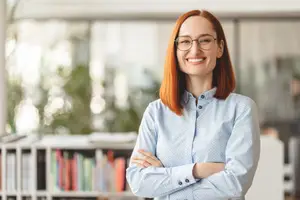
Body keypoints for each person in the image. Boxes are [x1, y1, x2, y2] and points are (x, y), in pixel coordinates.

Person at [126, 9, 260, 200]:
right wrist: (199, 170)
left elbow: (235, 185)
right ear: (176, 49)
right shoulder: (156, 112)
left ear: (220, 48)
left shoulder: (242, 109)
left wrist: (165, 178)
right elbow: (138, 183)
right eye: (185, 41)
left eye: (204, 40)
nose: (195, 50)